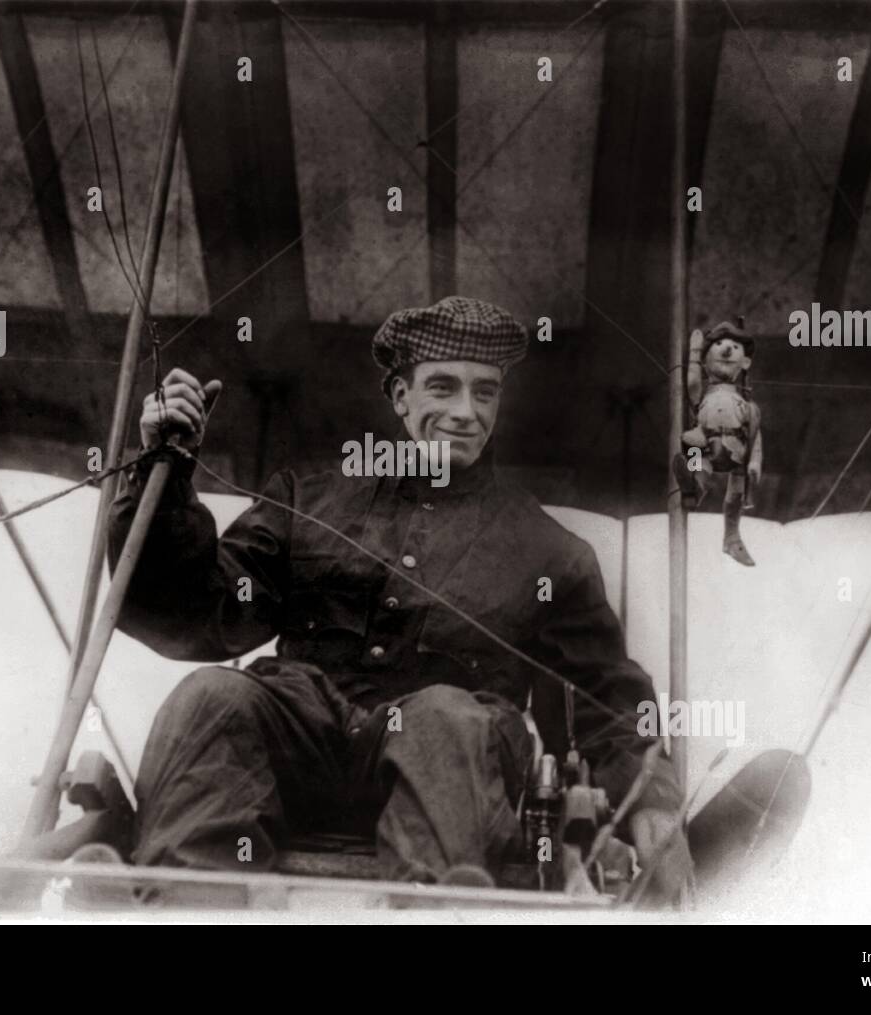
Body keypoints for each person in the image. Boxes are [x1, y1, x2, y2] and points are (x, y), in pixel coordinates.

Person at [108, 295, 692, 896]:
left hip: (452, 783)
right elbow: (188, 613)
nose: (466, 411)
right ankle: (186, 899)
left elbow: (601, 701)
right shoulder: (305, 501)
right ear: (400, 397)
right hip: (302, 758)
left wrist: (652, 802)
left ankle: (437, 908)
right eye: (443, 387)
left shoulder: (552, 554)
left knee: (444, 717)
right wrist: (165, 468)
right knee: (213, 694)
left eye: (484, 392)